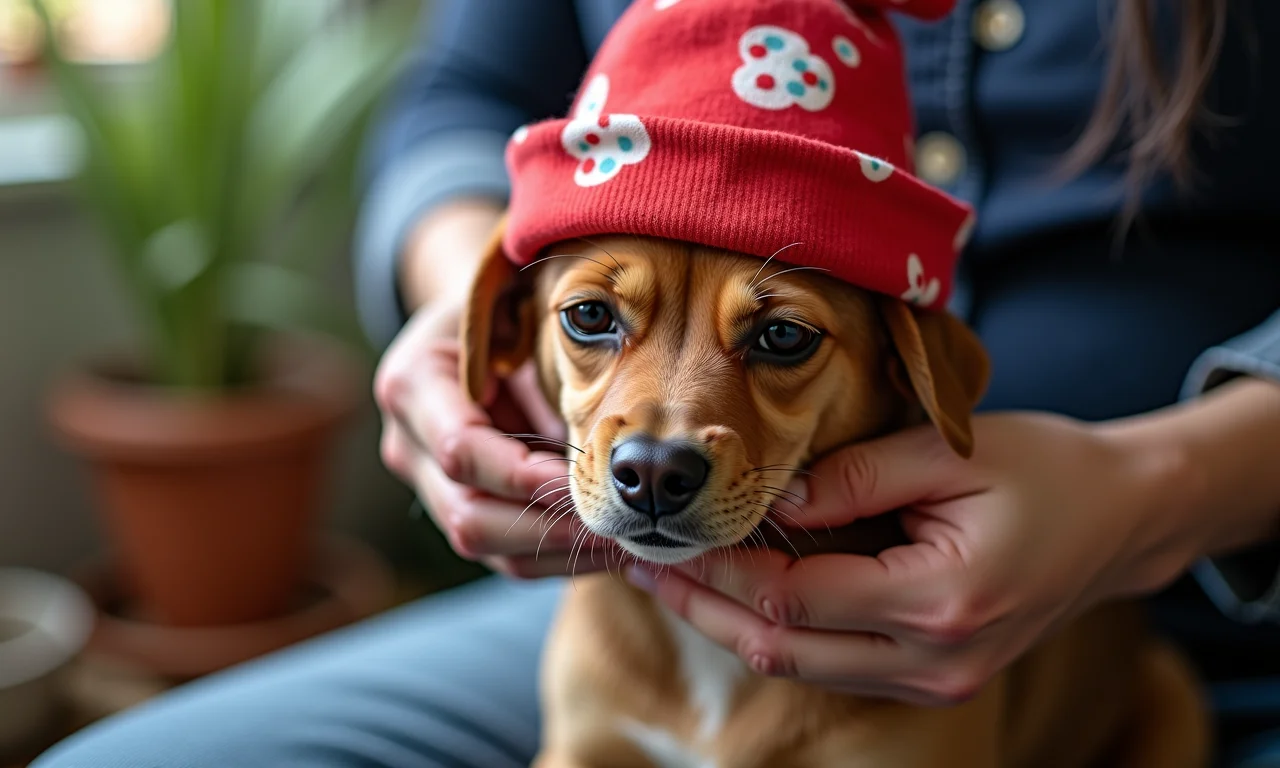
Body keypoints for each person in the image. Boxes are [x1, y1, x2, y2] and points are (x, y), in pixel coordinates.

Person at [32, 0, 1280, 766]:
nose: (666, 430)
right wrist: (455, 289)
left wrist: (1160, 480)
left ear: (917, 372)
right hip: (639, 581)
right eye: (591, 318)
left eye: (779, 339)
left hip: (1199, 643)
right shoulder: (605, 601)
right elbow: (461, 95)